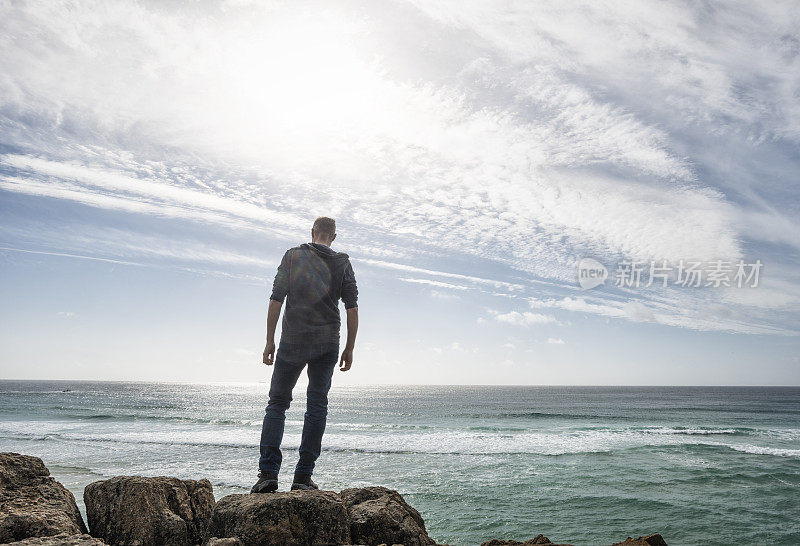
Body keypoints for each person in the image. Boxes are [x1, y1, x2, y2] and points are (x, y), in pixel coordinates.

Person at [251, 216, 359, 493]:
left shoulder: (293, 255)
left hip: (292, 340)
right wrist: (349, 347)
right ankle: (302, 477)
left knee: (277, 404)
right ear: (333, 237)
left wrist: (269, 341)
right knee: (317, 406)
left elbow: (276, 298)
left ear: (313, 232)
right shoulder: (343, 262)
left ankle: (268, 475)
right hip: (327, 342)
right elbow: (352, 308)